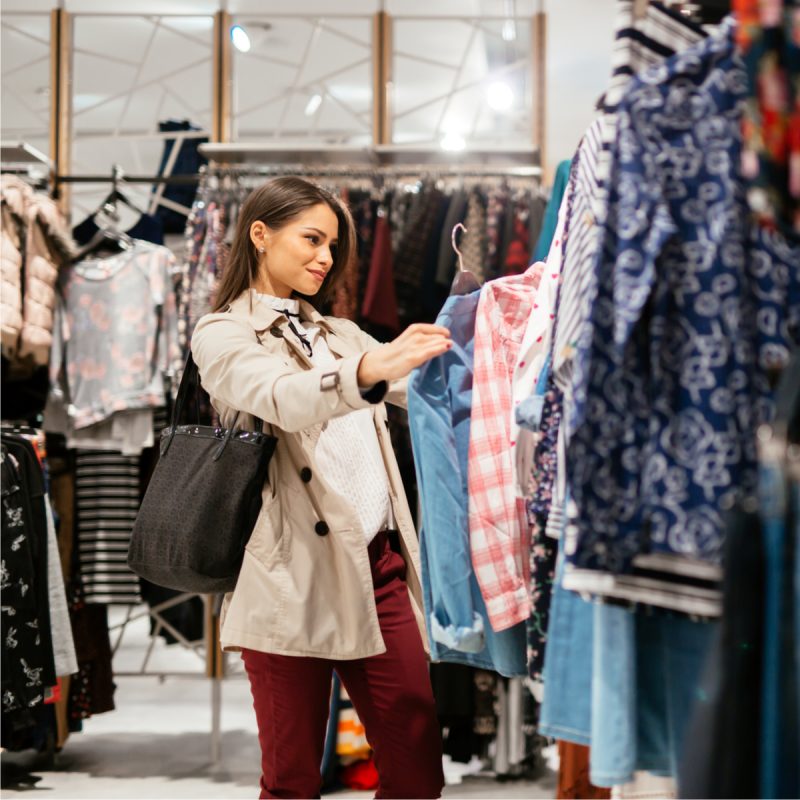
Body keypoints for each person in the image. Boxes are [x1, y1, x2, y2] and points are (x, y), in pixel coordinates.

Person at [191, 176, 451, 799]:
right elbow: (282, 398)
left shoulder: (340, 333)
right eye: (312, 239)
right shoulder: (222, 333)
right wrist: (368, 370)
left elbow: (415, 393)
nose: (325, 258)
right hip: (290, 575)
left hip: (378, 567)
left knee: (417, 762)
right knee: (291, 780)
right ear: (261, 234)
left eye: (333, 245)